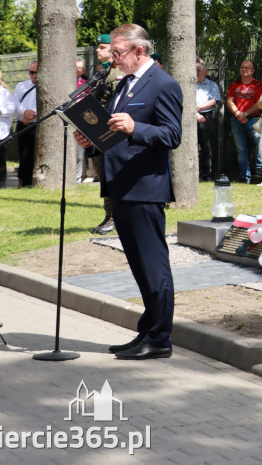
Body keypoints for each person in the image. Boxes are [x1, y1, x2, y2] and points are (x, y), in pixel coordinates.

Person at [74, 23, 182, 360]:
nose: (113, 59)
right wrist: (91, 142)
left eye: (118, 52)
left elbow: (172, 135)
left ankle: (160, 339)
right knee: (138, 266)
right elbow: (114, 135)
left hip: (144, 188)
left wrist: (137, 127)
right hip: (120, 186)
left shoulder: (163, 84)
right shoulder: (124, 84)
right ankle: (146, 331)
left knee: (154, 266)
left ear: (140, 50)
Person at [89, 35, 122, 234]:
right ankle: (108, 215)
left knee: (111, 176)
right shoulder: (104, 72)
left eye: (102, 47)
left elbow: (114, 104)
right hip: (98, 129)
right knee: (103, 176)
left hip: (110, 130)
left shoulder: (117, 73)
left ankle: (114, 217)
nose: (97, 50)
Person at [225, 59, 262, 183]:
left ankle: (259, 171)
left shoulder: (259, 85)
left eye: (247, 68)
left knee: (261, 142)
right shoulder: (234, 85)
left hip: (253, 119)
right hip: (237, 120)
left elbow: (260, 104)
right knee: (241, 149)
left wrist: (246, 114)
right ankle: (244, 177)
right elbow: (229, 101)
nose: (244, 69)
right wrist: (238, 113)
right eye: (242, 67)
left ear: (253, 71)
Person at [195, 58, 221, 181]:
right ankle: (194, 174)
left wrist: (199, 107)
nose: (197, 72)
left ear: (205, 72)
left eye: (199, 70)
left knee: (207, 146)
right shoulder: (190, 84)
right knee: (192, 147)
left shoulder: (212, 85)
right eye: (195, 70)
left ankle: (208, 174)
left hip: (207, 117)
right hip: (191, 117)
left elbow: (214, 101)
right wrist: (195, 113)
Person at [13, 60, 38, 187]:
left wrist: (34, 113)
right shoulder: (21, 86)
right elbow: (15, 104)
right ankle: (22, 183)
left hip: (38, 123)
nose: (33, 75)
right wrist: (25, 112)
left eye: (36, 72)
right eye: (31, 72)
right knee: (24, 155)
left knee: (36, 155)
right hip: (23, 123)